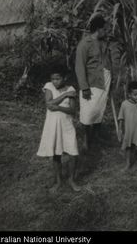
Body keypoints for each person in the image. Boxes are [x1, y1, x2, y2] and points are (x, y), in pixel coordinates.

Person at [37, 64, 81, 193]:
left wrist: (60, 107)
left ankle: (71, 179)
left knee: (73, 153)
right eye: (53, 79)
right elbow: (49, 104)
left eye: (58, 78)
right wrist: (64, 95)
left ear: (65, 77)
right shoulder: (49, 86)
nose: (55, 81)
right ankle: (58, 181)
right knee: (56, 154)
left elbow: (72, 110)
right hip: (52, 125)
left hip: (67, 125)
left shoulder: (71, 88)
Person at [75, 15, 113, 151]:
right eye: (104, 29)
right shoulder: (84, 45)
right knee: (88, 112)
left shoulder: (103, 42)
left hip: (104, 80)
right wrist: (84, 87)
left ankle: (96, 136)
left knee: (99, 109)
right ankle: (86, 140)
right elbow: (79, 67)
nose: (106, 32)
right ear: (98, 29)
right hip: (92, 82)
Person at [118, 81, 137, 172]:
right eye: (135, 94)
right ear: (129, 94)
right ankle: (127, 164)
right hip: (129, 129)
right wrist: (120, 129)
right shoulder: (124, 104)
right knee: (128, 146)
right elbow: (121, 117)